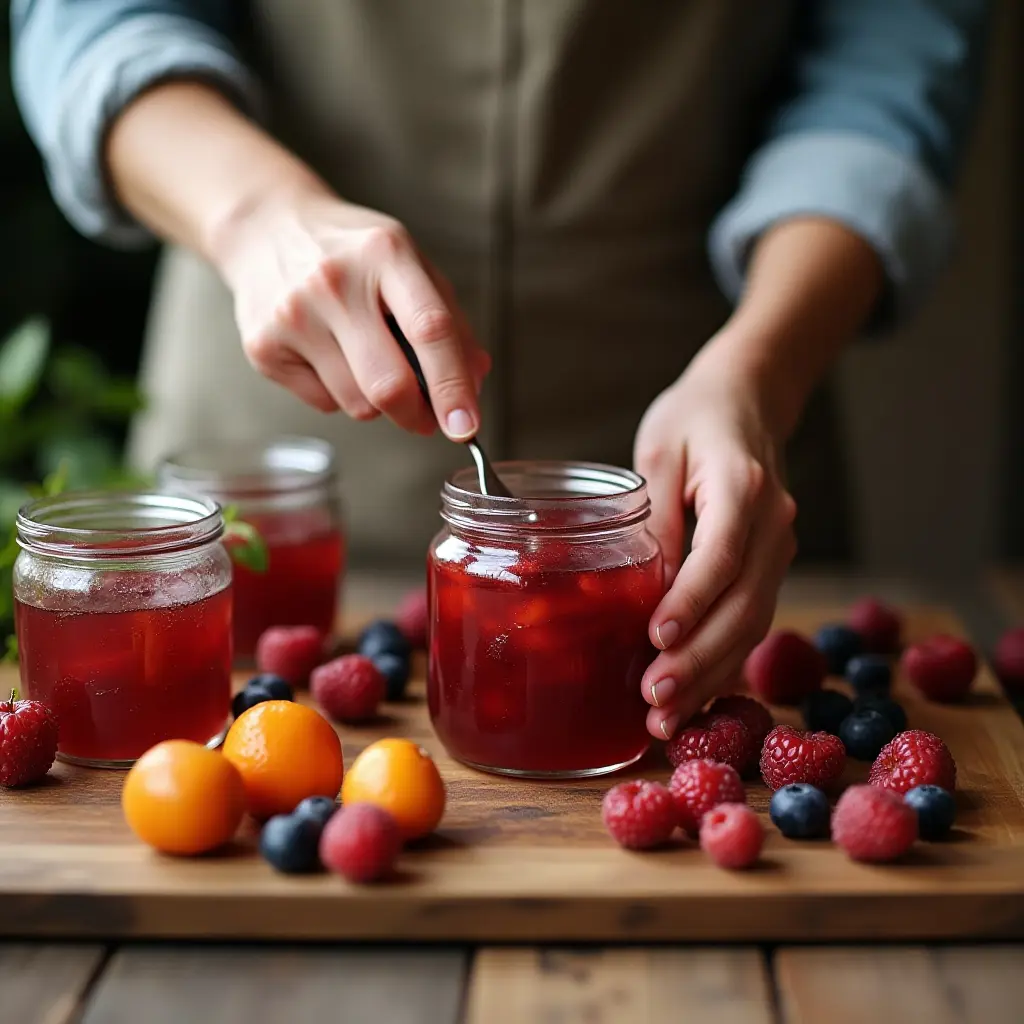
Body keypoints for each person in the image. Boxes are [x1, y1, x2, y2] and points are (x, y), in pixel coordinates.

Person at [11, 1, 989, 740]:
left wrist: (757, 367)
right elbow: (87, 17)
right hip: (282, 369)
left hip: (714, 395)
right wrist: (252, 213)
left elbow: (889, 62)